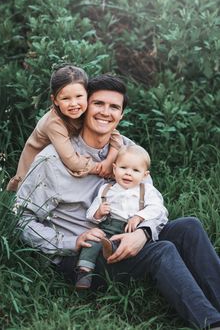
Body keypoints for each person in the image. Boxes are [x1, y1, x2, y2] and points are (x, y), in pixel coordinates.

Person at [17, 74, 220, 330]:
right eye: (98, 104)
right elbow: (20, 219)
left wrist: (144, 233)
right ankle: (211, 324)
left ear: (121, 115)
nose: (105, 112)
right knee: (163, 251)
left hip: (126, 233)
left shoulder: (127, 151)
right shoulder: (52, 160)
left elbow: (154, 204)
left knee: (189, 226)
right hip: (84, 257)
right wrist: (72, 242)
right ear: (84, 107)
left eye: (114, 107)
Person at [7, 65, 122, 191]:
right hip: (37, 170)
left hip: (60, 162)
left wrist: (109, 160)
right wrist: (101, 169)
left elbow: (113, 133)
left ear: (87, 95)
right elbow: (72, 161)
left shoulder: (83, 110)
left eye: (79, 96)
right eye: (66, 98)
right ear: (55, 100)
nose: (73, 104)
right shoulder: (53, 123)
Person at [75, 144, 168, 289]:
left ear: (145, 175)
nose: (128, 173)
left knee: (134, 245)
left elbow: (157, 208)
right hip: (108, 226)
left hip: (131, 229)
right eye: (123, 168)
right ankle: (84, 273)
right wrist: (98, 212)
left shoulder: (146, 190)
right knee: (92, 242)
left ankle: (112, 248)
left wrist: (139, 216)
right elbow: (90, 214)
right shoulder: (107, 190)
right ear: (114, 168)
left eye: (135, 170)